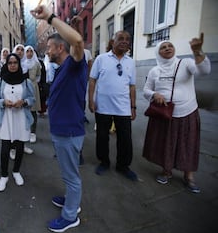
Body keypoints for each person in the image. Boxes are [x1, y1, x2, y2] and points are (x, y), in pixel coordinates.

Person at [31, 5, 86, 233]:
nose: (47, 51)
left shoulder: (74, 64)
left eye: (50, 47)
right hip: (63, 132)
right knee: (68, 172)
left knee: (72, 177)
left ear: (61, 47)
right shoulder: (63, 68)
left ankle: (70, 215)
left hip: (69, 132)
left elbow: (79, 42)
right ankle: (71, 200)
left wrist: (51, 18)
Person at [142, 34, 210, 193]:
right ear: (158, 52)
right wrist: (154, 95)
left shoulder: (185, 63)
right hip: (164, 114)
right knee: (165, 143)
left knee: (188, 144)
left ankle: (189, 176)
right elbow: (146, 89)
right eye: (163, 47)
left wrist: (198, 51)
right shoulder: (154, 70)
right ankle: (166, 171)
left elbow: (204, 71)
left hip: (187, 112)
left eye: (169, 46)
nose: (167, 48)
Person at [88, 31, 138, 181]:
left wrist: (133, 107)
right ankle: (104, 162)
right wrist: (91, 100)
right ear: (113, 41)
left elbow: (132, 86)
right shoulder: (101, 59)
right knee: (102, 137)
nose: (124, 41)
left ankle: (123, 166)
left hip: (123, 108)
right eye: (121, 38)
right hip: (102, 106)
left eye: (128, 39)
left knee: (125, 138)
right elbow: (92, 80)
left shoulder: (131, 62)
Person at [0, 53, 35, 192]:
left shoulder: (25, 81)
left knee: (19, 146)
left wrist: (23, 102)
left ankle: (16, 171)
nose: (12, 65)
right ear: (6, 64)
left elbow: (32, 99)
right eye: (10, 63)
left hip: (21, 118)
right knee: (5, 149)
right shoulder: (1, 81)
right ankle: (4, 175)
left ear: (19, 64)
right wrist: (3, 102)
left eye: (15, 63)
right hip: (6, 119)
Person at [23, 45, 41, 145]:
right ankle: (26, 131)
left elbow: (39, 75)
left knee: (33, 111)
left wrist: (34, 83)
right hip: (24, 89)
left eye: (31, 51)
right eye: (27, 51)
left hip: (33, 88)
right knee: (25, 111)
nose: (29, 53)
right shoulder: (22, 64)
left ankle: (33, 133)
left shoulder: (36, 64)